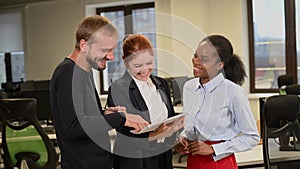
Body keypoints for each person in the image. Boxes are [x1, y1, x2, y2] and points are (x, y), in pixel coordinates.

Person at [50, 16, 149, 169]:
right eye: (105, 50)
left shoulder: (85, 71)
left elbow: (85, 116)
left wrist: (106, 114)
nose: (111, 57)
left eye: (112, 50)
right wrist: (120, 119)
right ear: (84, 45)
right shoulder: (67, 73)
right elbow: (74, 127)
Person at [174, 35, 260, 169]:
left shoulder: (233, 92)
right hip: (193, 160)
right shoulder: (189, 87)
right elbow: (189, 124)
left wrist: (214, 149)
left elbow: (252, 137)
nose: (196, 61)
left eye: (204, 59)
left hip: (219, 162)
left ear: (220, 65)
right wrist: (183, 138)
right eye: (196, 55)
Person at [106, 34, 184, 169]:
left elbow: (170, 117)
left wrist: (176, 133)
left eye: (149, 63)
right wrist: (157, 134)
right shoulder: (118, 88)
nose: (144, 70)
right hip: (135, 160)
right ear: (125, 61)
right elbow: (126, 135)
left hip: (162, 156)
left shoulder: (161, 83)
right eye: (137, 65)